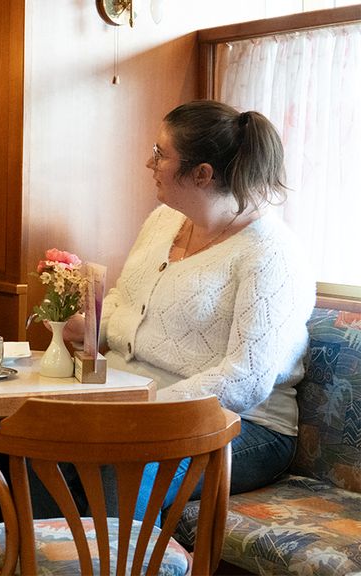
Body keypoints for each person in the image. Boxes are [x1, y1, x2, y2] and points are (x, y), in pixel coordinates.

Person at [50, 100, 315, 521]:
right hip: (134, 400)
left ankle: (119, 557)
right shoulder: (163, 220)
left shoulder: (271, 254)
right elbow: (125, 297)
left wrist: (142, 412)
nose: (149, 162)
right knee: (39, 439)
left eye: (161, 154)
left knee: (128, 460)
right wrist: (92, 328)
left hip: (241, 424)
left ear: (201, 174)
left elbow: (246, 379)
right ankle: (46, 553)